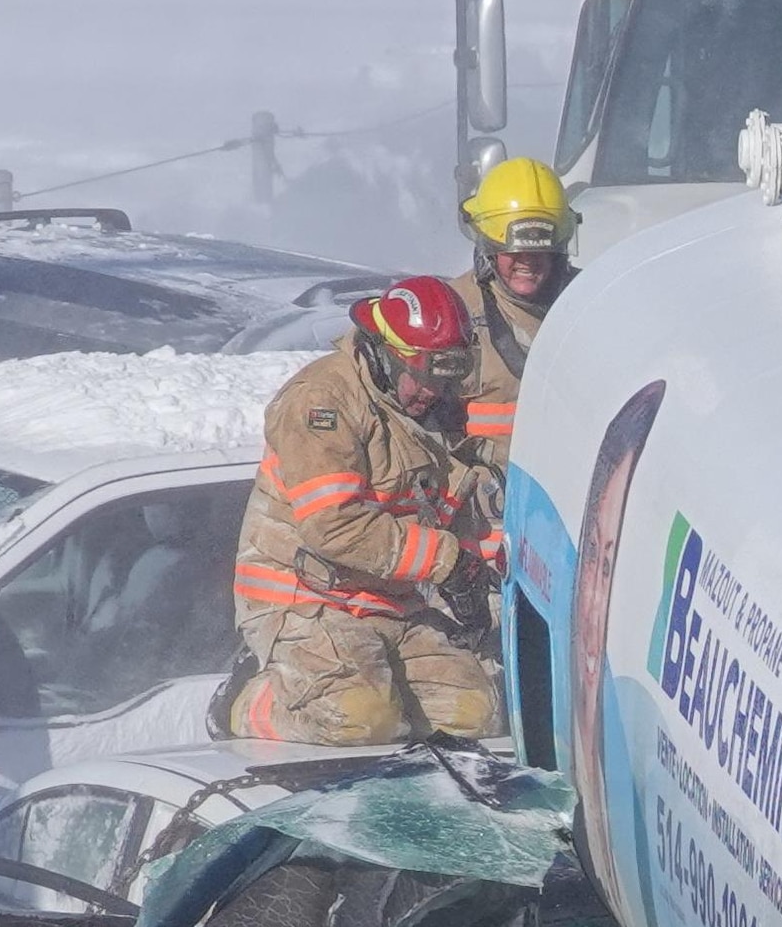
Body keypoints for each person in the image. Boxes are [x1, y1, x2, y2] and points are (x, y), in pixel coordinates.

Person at [231, 279, 503, 745]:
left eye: (443, 378)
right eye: (418, 374)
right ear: (382, 354)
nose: (429, 390)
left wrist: (484, 582)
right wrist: (448, 563)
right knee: (360, 720)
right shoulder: (322, 402)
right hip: (304, 599)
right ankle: (249, 701)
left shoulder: (433, 413)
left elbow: (460, 510)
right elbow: (334, 525)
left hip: (388, 603)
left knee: (475, 716)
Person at [447, 156, 578, 460]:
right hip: (482, 495)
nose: (527, 261)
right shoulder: (452, 312)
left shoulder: (590, 303)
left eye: (539, 252)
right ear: (489, 247)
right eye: (514, 251)